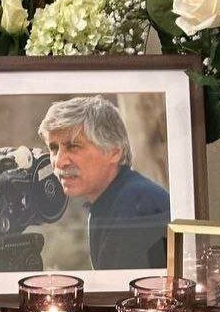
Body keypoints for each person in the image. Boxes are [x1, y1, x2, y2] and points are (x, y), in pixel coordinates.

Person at [38, 96, 170, 271]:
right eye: (54, 148)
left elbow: (123, 287)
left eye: (74, 146)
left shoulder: (135, 207)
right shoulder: (114, 198)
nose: (59, 162)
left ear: (114, 152)